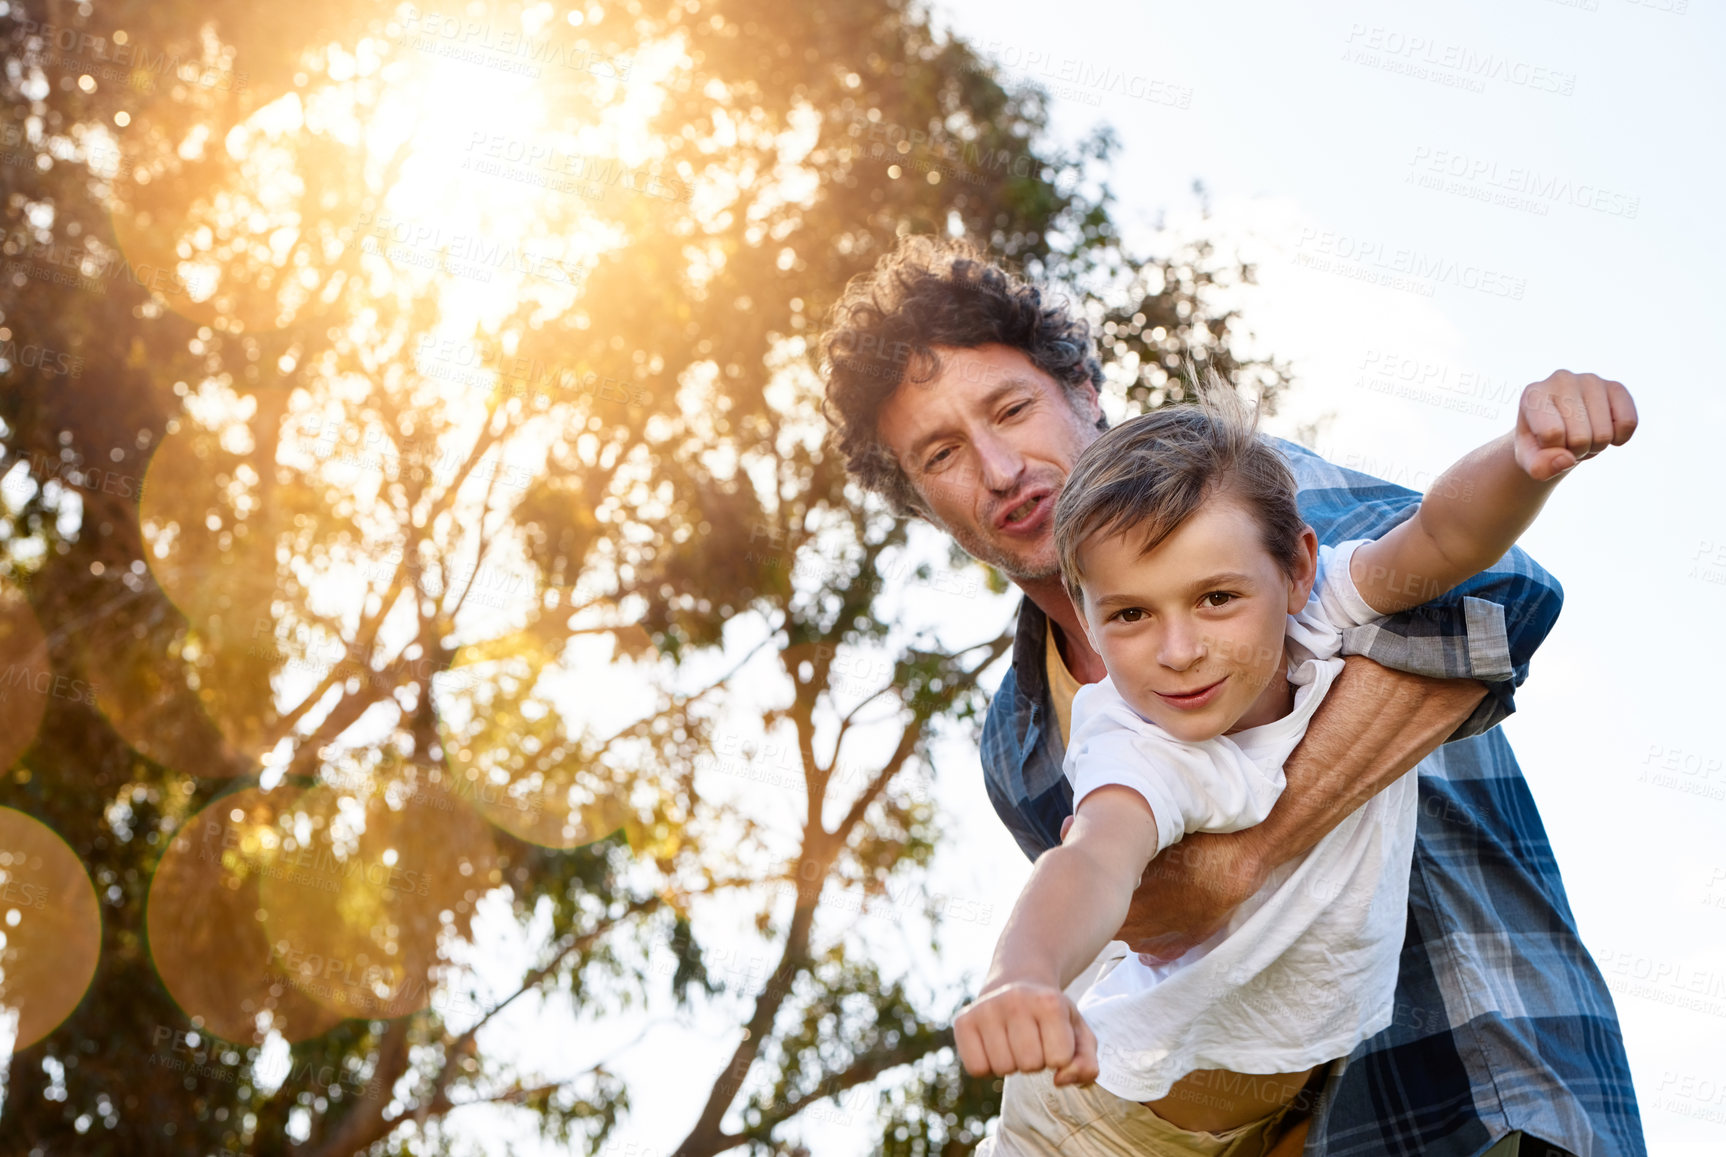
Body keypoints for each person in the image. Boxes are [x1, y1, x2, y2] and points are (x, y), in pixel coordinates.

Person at [818, 236, 1647, 1157]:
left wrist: (1525, 453)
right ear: (918, 496)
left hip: (1486, 1078)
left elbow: (1495, 588)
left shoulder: (1233, 496)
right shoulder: (1023, 747)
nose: (1001, 469)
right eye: (942, 453)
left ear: (1083, 391)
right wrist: (1021, 974)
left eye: (1011, 409)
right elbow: (1117, 908)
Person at [947, 384, 1634, 1154]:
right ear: (1089, 613)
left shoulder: (1324, 609)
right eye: (1131, 614)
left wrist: (1522, 459)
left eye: (1215, 597)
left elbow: (1443, 538)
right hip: (1103, 1118)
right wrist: (1023, 973)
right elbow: (1094, 860)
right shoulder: (1135, 738)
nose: (1178, 652)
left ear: (1299, 568)